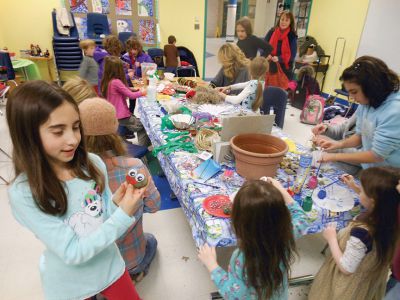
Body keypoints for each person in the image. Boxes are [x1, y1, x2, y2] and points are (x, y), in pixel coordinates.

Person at [6, 80, 145, 300]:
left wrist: (116, 204)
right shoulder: (24, 193)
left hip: (109, 266)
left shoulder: (92, 163)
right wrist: (123, 215)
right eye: (58, 131)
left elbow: (102, 217)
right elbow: (73, 252)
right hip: (70, 284)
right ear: (28, 135)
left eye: (76, 126)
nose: (72, 139)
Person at [79, 97, 161, 282]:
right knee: (151, 240)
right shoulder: (134, 167)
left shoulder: (71, 175)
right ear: (115, 131)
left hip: (93, 264)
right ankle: (135, 274)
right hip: (127, 260)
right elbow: (154, 206)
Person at [198, 178, 308, 299]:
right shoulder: (286, 236)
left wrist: (212, 265)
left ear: (239, 223)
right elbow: (302, 219)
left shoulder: (243, 258)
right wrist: (281, 189)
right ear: (282, 217)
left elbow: (233, 294)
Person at [309, 167, 400, 300]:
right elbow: (376, 200)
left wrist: (332, 238)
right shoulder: (391, 216)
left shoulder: (362, 233)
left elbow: (347, 268)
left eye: (362, 190)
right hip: (370, 276)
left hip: (348, 283)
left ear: (373, 201)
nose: (360, 191)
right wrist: (354, 187)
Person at [316, 56, 400, 169]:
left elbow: (377, 155)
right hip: (371, 169)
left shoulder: (394, 111)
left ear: (372, 87)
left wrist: (334, 156)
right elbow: (361, 135)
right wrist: (339, 144)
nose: (352, 97)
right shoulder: (368, 101)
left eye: (354, 92)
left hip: (389, 176)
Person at [101, 56, 150, 146]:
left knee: (130, 124)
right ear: (117, 70)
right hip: (121, 115)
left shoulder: (108, 80)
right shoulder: (116, 82)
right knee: (143, 126)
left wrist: (134, 89)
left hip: (115, 113)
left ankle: (122, 143)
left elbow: (124, 89)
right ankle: (143, 148)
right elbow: (131, 96)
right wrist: (143, 92)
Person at [265, 10, 298, 80]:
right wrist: (266, 54)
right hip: (269, 66)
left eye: (287, 20)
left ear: (290, 22)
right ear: (279, 20)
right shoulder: (271, 31)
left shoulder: (292, 36)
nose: (284, 22)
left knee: (281, 90)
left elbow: (292, 55)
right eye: (282, 19)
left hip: (284, 70)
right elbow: (262, 46)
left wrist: (279, 58)